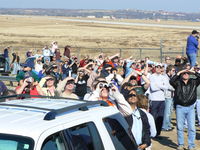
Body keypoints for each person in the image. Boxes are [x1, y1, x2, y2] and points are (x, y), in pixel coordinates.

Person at [170, 69, 200, 150]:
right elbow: (171, 81)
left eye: (187, 73)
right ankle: (181, 144)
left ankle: (191, 145)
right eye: (184, 73)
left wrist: (193, 72)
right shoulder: (177, 83)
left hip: (190, 108)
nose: (186, 74)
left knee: (192, 128)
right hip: (180, 107)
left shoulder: (194, 82)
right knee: (180, 127)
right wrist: (179, 72)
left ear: (189, 74)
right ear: (181, 74)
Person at [148, 63, 168, 138]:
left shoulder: (164, 77)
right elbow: (153, 88)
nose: (159, 69)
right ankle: (152, 133)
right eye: (157, 67)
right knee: (153, 117)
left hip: (162, 99)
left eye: (160, 67)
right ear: (155, 68)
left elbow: (166, 87)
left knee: (160, 117)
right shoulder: (151, 76)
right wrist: (161, 86)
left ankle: (158, 133)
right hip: (154, 99)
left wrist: (158, 85)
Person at [162, 65, 175, 131]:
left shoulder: (172, 77)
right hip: (167, 96)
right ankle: (165, 126)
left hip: (171, 96)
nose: (174, 71)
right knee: (167, 112)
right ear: (169, 70)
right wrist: (176, 88)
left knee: (170, 111)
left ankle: (168, 125)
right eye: (173, 70)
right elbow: (167, 86)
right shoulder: (165, 77)